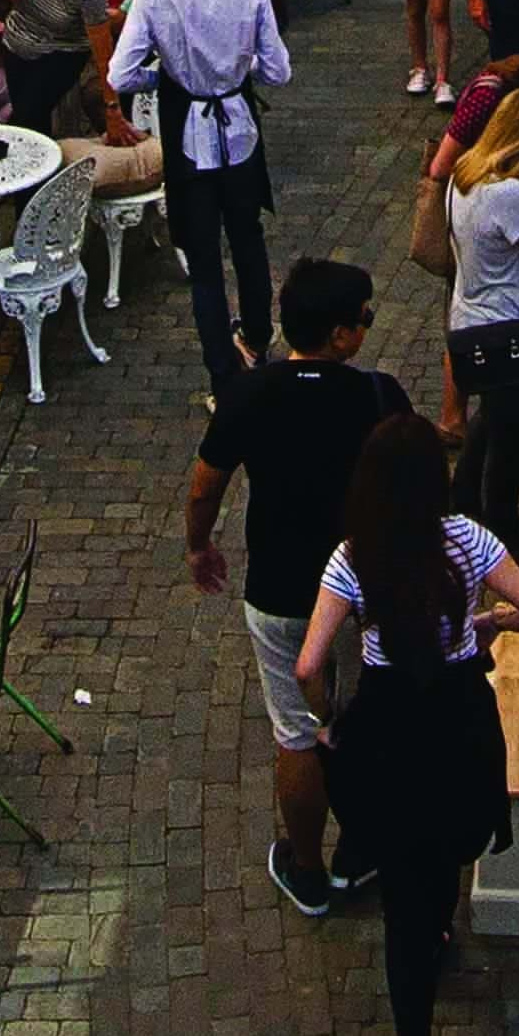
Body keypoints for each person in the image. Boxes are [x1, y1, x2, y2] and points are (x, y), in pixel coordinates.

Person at [294, 406, 519, 1036]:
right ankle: (438, 926)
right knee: (441, 858)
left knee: (401, 905)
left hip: (388, 729)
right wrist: (487, 622)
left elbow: (309, 662)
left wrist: (327, 718)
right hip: (458, 718)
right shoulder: (467, 540)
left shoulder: (353, 557)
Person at [191, 260, 417, 917]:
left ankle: (309, 868)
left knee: (296, 731)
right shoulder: (379, 396)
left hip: (281, 591)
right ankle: (361, 847)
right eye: (365, 318)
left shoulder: (248, 393)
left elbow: (206, 482)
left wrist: (199, 544)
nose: (369, 328)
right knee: (367, 719)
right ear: (341, 335)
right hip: (365, 592)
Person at [110, 0, 299, 394]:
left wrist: (167, 76)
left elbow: (121, 75)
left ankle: (222, 372)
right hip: (239, 128)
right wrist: (236, 68)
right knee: (248, 237)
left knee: (205, 259)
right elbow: (278, 71)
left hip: (187, 133)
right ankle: (257, 340)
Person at [413, 57, 519, 526]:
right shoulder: (511, 195)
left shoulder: (467, 176)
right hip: (514, 334)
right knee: (508, 446)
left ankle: (460, 507)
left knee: (485, 427)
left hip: (472, 325)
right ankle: (504, 534)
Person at [0, 0, 109, 141]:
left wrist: (112, 105)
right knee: (24, 112)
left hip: (62, 49)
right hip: (17, 37)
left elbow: (102, 47)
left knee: (30, 116)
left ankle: (36, 163)